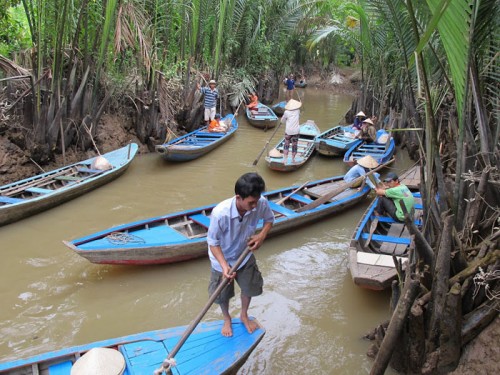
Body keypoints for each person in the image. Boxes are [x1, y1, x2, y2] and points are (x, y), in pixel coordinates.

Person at [207, 173, 274, 337]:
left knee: (249, 287)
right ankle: (227, 318)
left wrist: (261, 236)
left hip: (244, 255)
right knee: (222, 294)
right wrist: (224, 267)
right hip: (222, 259)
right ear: (238, 197)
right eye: (251, 202)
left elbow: (269, 220)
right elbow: (212, 243)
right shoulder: (220, 214)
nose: (254, 206)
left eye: (256, 201)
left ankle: (244, 314)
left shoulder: (260, 203)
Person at [281, 99, 302, 164]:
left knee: (286, 144)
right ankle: (293, 159)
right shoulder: (298, 111)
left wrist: (284, 119)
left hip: (288, 131)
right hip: (296, 131)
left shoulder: (286, 112)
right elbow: (299, 116)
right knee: (294, 145)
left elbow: (282, 121)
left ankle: (285, 160)